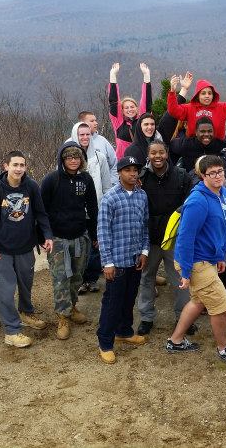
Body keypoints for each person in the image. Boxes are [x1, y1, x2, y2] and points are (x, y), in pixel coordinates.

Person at [166, 155, 226, 367]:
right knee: (221, 306)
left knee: (199, 300)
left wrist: (221, 255)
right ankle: (223, 348)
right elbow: (185, 238)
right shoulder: (197, 201)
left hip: (210, 258)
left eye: (220, 171)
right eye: (212, 173)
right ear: (203, 175)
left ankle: (175, 340)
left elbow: (220, 230)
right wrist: (184, 271)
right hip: (195, 261)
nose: (218, 176)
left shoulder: (223, 195)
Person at [0, 150, 54, 348]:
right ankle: (12, 331)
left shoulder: (31, 186)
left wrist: (47, 235)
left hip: (25, 247)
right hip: (2, 249)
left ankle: (25, 312)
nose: (19, 169)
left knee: (26, 283)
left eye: (22, 165)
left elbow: (41, 214)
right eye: (15, 165)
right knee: (5, 290)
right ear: (6, 166)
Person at [41, 142, 99, 341]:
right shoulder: (52, 179)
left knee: (76, 276)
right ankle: (63, 317)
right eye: (69, 157)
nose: (73, 160)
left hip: (80, 235)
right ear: (62, 159)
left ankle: (72, 307)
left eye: (76, 157)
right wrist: (44, 236)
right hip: (58, 239)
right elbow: (42, 211)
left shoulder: (86, 179)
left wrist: (95, 235)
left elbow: (92, 208)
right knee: (60, 279)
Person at [136, 140, 195, 336]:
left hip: (174, 239)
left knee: (180, 279)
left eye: (161, 152)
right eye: (153, 153)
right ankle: (146, 318)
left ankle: (183, 317)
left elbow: (190, 202)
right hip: (150, 239)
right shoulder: (141, 178)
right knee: (146, 278)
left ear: (167, 153)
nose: (158, 156)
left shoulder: (181, 176)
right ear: (148, 155)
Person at [96, 156, 150, 364]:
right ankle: (105, 342)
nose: (132, 173)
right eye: (127, 170)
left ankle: (124, 331)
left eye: (135, 169)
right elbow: (102, 232)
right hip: (116, 262)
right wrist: (107, 262)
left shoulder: (141, 196)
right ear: (119, 173)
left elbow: (145, 225)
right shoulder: (110, 198)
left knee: (129, 298)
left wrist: (145, 251)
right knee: (112, 302)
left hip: (135, 258)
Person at [70, 121, 114, 295]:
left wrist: (107, 206)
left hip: (97, 208)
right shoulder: (69, 158)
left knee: (96, 244)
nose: (85, 137)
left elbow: (106, 184)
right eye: (81, 134)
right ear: (75, 135)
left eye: (87, 134)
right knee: (80, 245)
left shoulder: (99, 156)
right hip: (76, 211)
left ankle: (92, 278)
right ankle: (79, 280)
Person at [166, 71, 226, 140]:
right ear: (198, 95)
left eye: (210, 93)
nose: (207, 96)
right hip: (194, 145)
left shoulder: (222, 107)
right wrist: (172, 92)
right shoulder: (190, 108)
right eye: (203, 93)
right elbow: (173, 110)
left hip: (216, 147)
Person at [108, 62, 153, 160]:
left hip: (141, 162)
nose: (130, 109)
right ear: (122, 110)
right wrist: (113, 76)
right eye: (126, 108)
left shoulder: (142, 120)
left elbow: (147, 102)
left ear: (137, 108)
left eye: (132, 107)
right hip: (123, 164)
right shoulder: (118, 122)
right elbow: (114, 101)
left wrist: (146, 76)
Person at [77, 110, 118, 180]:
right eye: (92, 121)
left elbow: (114, 164)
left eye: (95, 120)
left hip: (102, 188)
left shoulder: (103, 141)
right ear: (82, 123)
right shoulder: (71, 142)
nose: (96, 123)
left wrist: (111, 183)